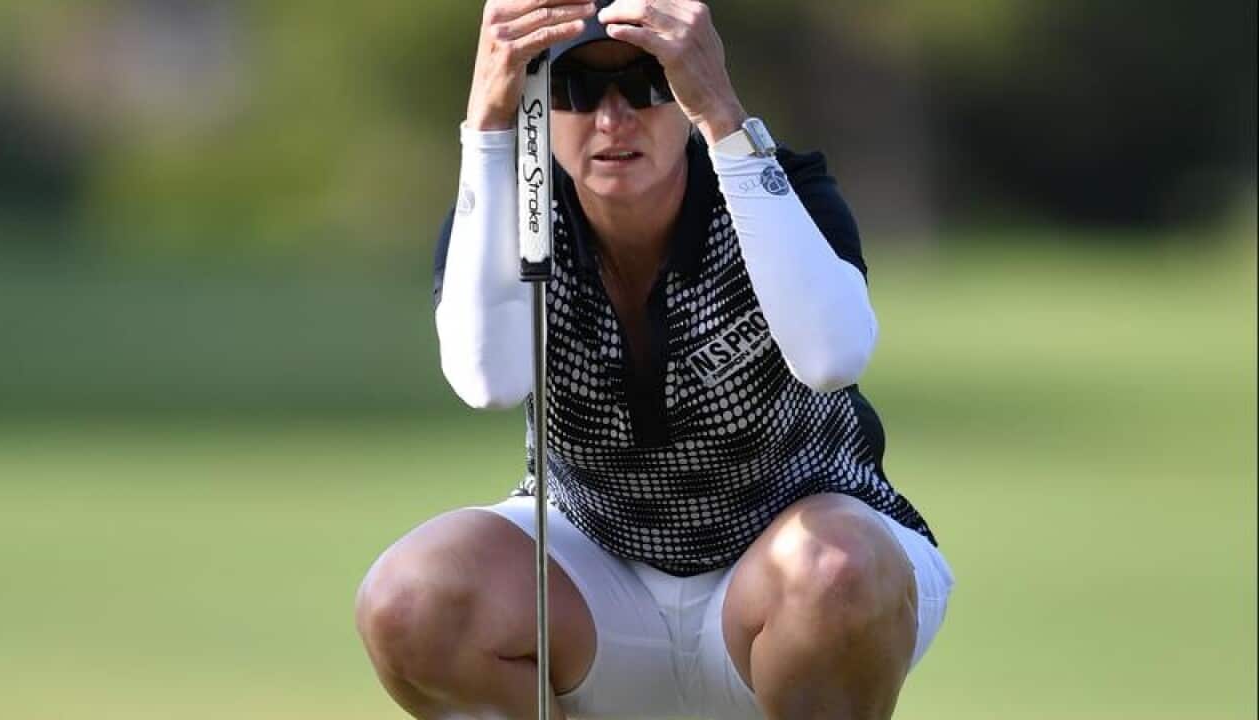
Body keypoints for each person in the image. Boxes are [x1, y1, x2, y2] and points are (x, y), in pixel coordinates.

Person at [355, 1, 954, 718]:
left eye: (648, 81)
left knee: (836, 572)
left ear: (687, 84)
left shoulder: (774, 186)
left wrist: (726, 122)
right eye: (575, 87)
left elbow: (834, 356)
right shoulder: (507, 215)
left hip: (794, 582)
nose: (613, 119)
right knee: (408, 602)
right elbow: (488, 380)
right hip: (596, 577)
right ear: (538, 98)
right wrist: (488, 128)